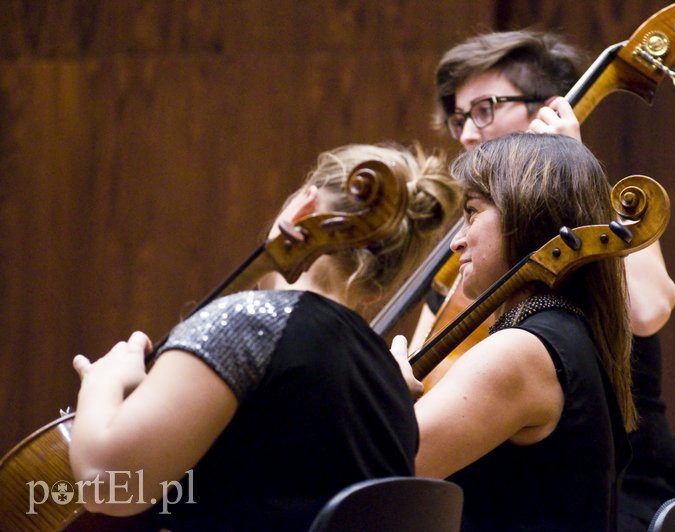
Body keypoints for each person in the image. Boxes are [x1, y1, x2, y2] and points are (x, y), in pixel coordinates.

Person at [68, 143, 461, 531]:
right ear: (382, 285)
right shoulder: (393, 383)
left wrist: (105, 379)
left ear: (304, 206)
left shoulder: (251, 324)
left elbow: (106, 485)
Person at [415, 30, 675, 530]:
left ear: (550, 108)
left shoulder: (617, 210)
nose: (469, 131)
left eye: (486, 108)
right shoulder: (470, 257)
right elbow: (427, 379)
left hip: (615, 484)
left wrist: (576, 169)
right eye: (459, 117)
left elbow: (647, 312)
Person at [394, 132, 635, 530]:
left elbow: (376, 472)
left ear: (529, 215)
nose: (456, 242)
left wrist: (387, 401)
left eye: (472, 212)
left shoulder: (522, 351)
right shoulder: (568, 333)